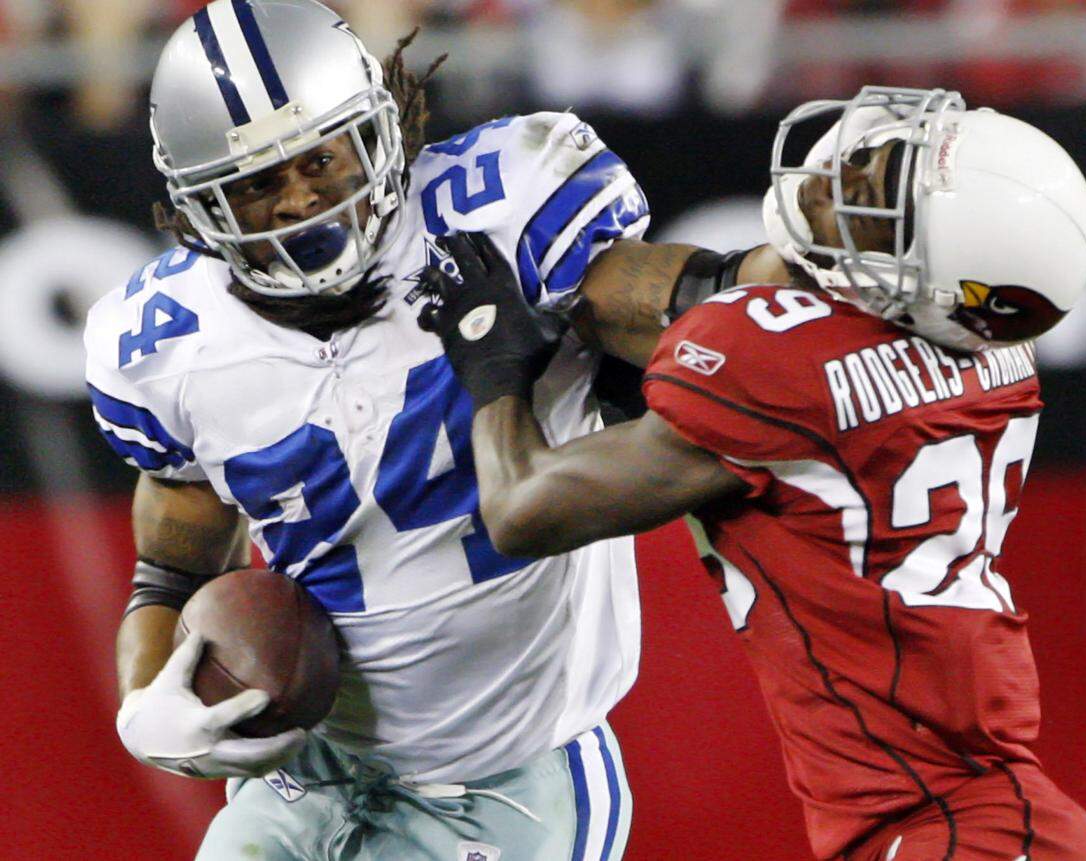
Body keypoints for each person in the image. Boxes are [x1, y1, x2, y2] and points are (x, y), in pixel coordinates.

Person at [83, 1, 772, 858]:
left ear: (376, 132)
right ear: (201, 204)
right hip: (312, 773)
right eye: (259, 183)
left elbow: (679, 303)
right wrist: (148, 701)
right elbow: (172, 565)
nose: (302, 200)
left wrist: (789, 274)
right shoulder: (162, 343)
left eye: (321, 158)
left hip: (510, 782)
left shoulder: (497, 211)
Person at [418, 86, 1086, 860]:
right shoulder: (997, 362)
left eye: (880, 194)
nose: (840, 178)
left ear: (933, 280)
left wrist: (493, 363)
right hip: (976, 814)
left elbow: (520, 506)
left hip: (956, 829)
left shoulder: (782, 363)